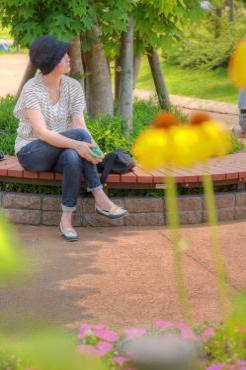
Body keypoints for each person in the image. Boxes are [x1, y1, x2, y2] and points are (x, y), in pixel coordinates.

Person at [14, 35, 128, 242]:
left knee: (72, 157)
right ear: (50, 61)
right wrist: (80, 144)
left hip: (62, 150)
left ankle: (66, 220)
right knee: (77, 143)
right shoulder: (31, 89)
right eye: (62, 55)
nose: (68, 58)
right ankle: (99, 196)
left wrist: (93, 149)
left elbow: (79, 125)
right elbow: (42, 133)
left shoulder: (73, 86)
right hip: (33, 152)